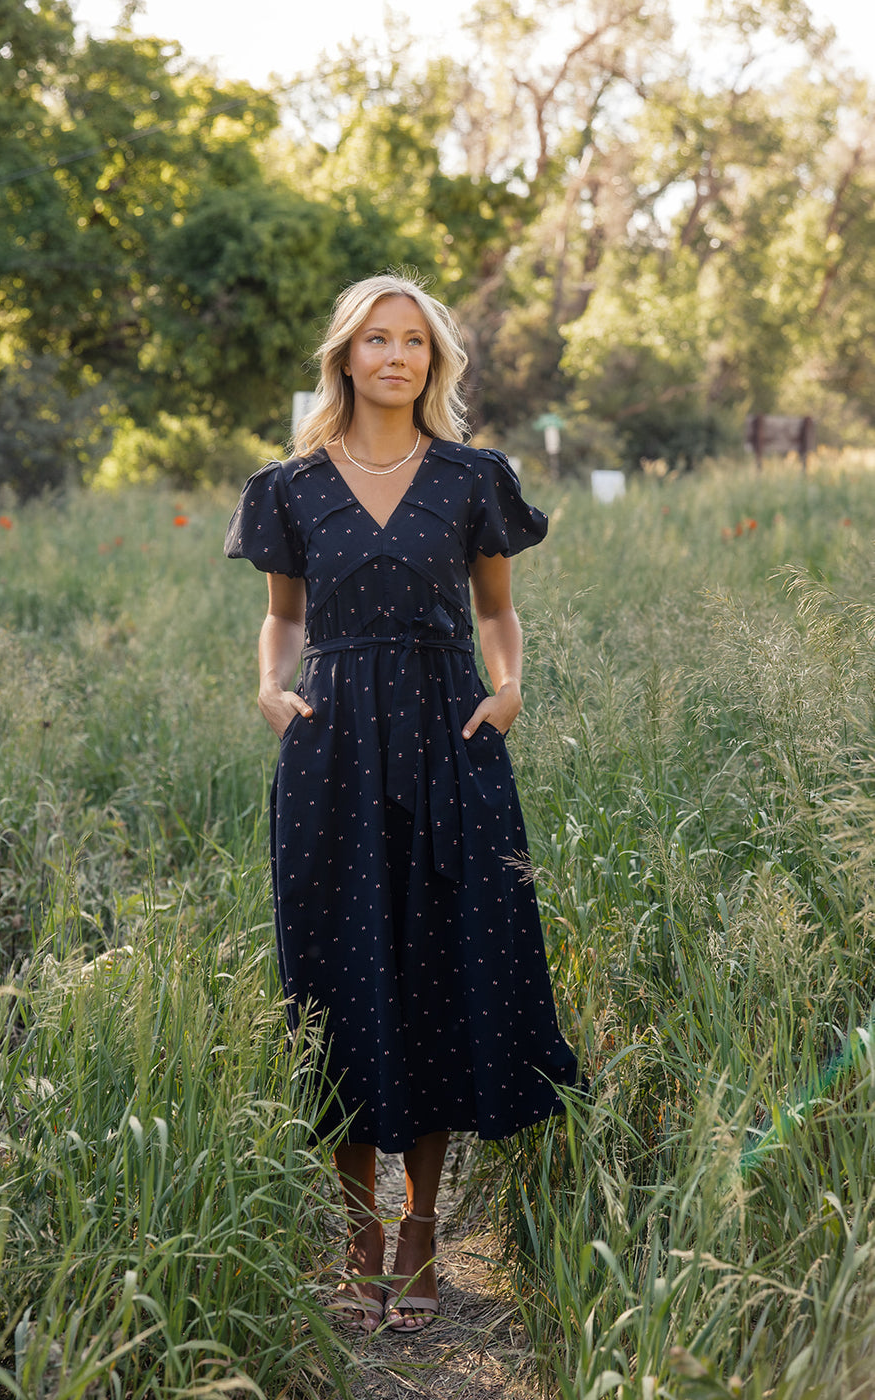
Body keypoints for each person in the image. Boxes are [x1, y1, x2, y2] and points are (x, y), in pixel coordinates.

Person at [224, 272, 580, 1335]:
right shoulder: (286, 485)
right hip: (329, 745)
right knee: (333, 972)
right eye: (374, 340)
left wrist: (508, 687)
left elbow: (497, 612)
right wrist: (270, 687)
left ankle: (421, 1225)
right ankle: (355, 1231)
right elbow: (283, 619)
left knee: (435, 967)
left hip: (447, 736)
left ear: (434, 362)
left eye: (413, 342)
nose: (393, 357)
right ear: (344, 355)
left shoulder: (474, 477)